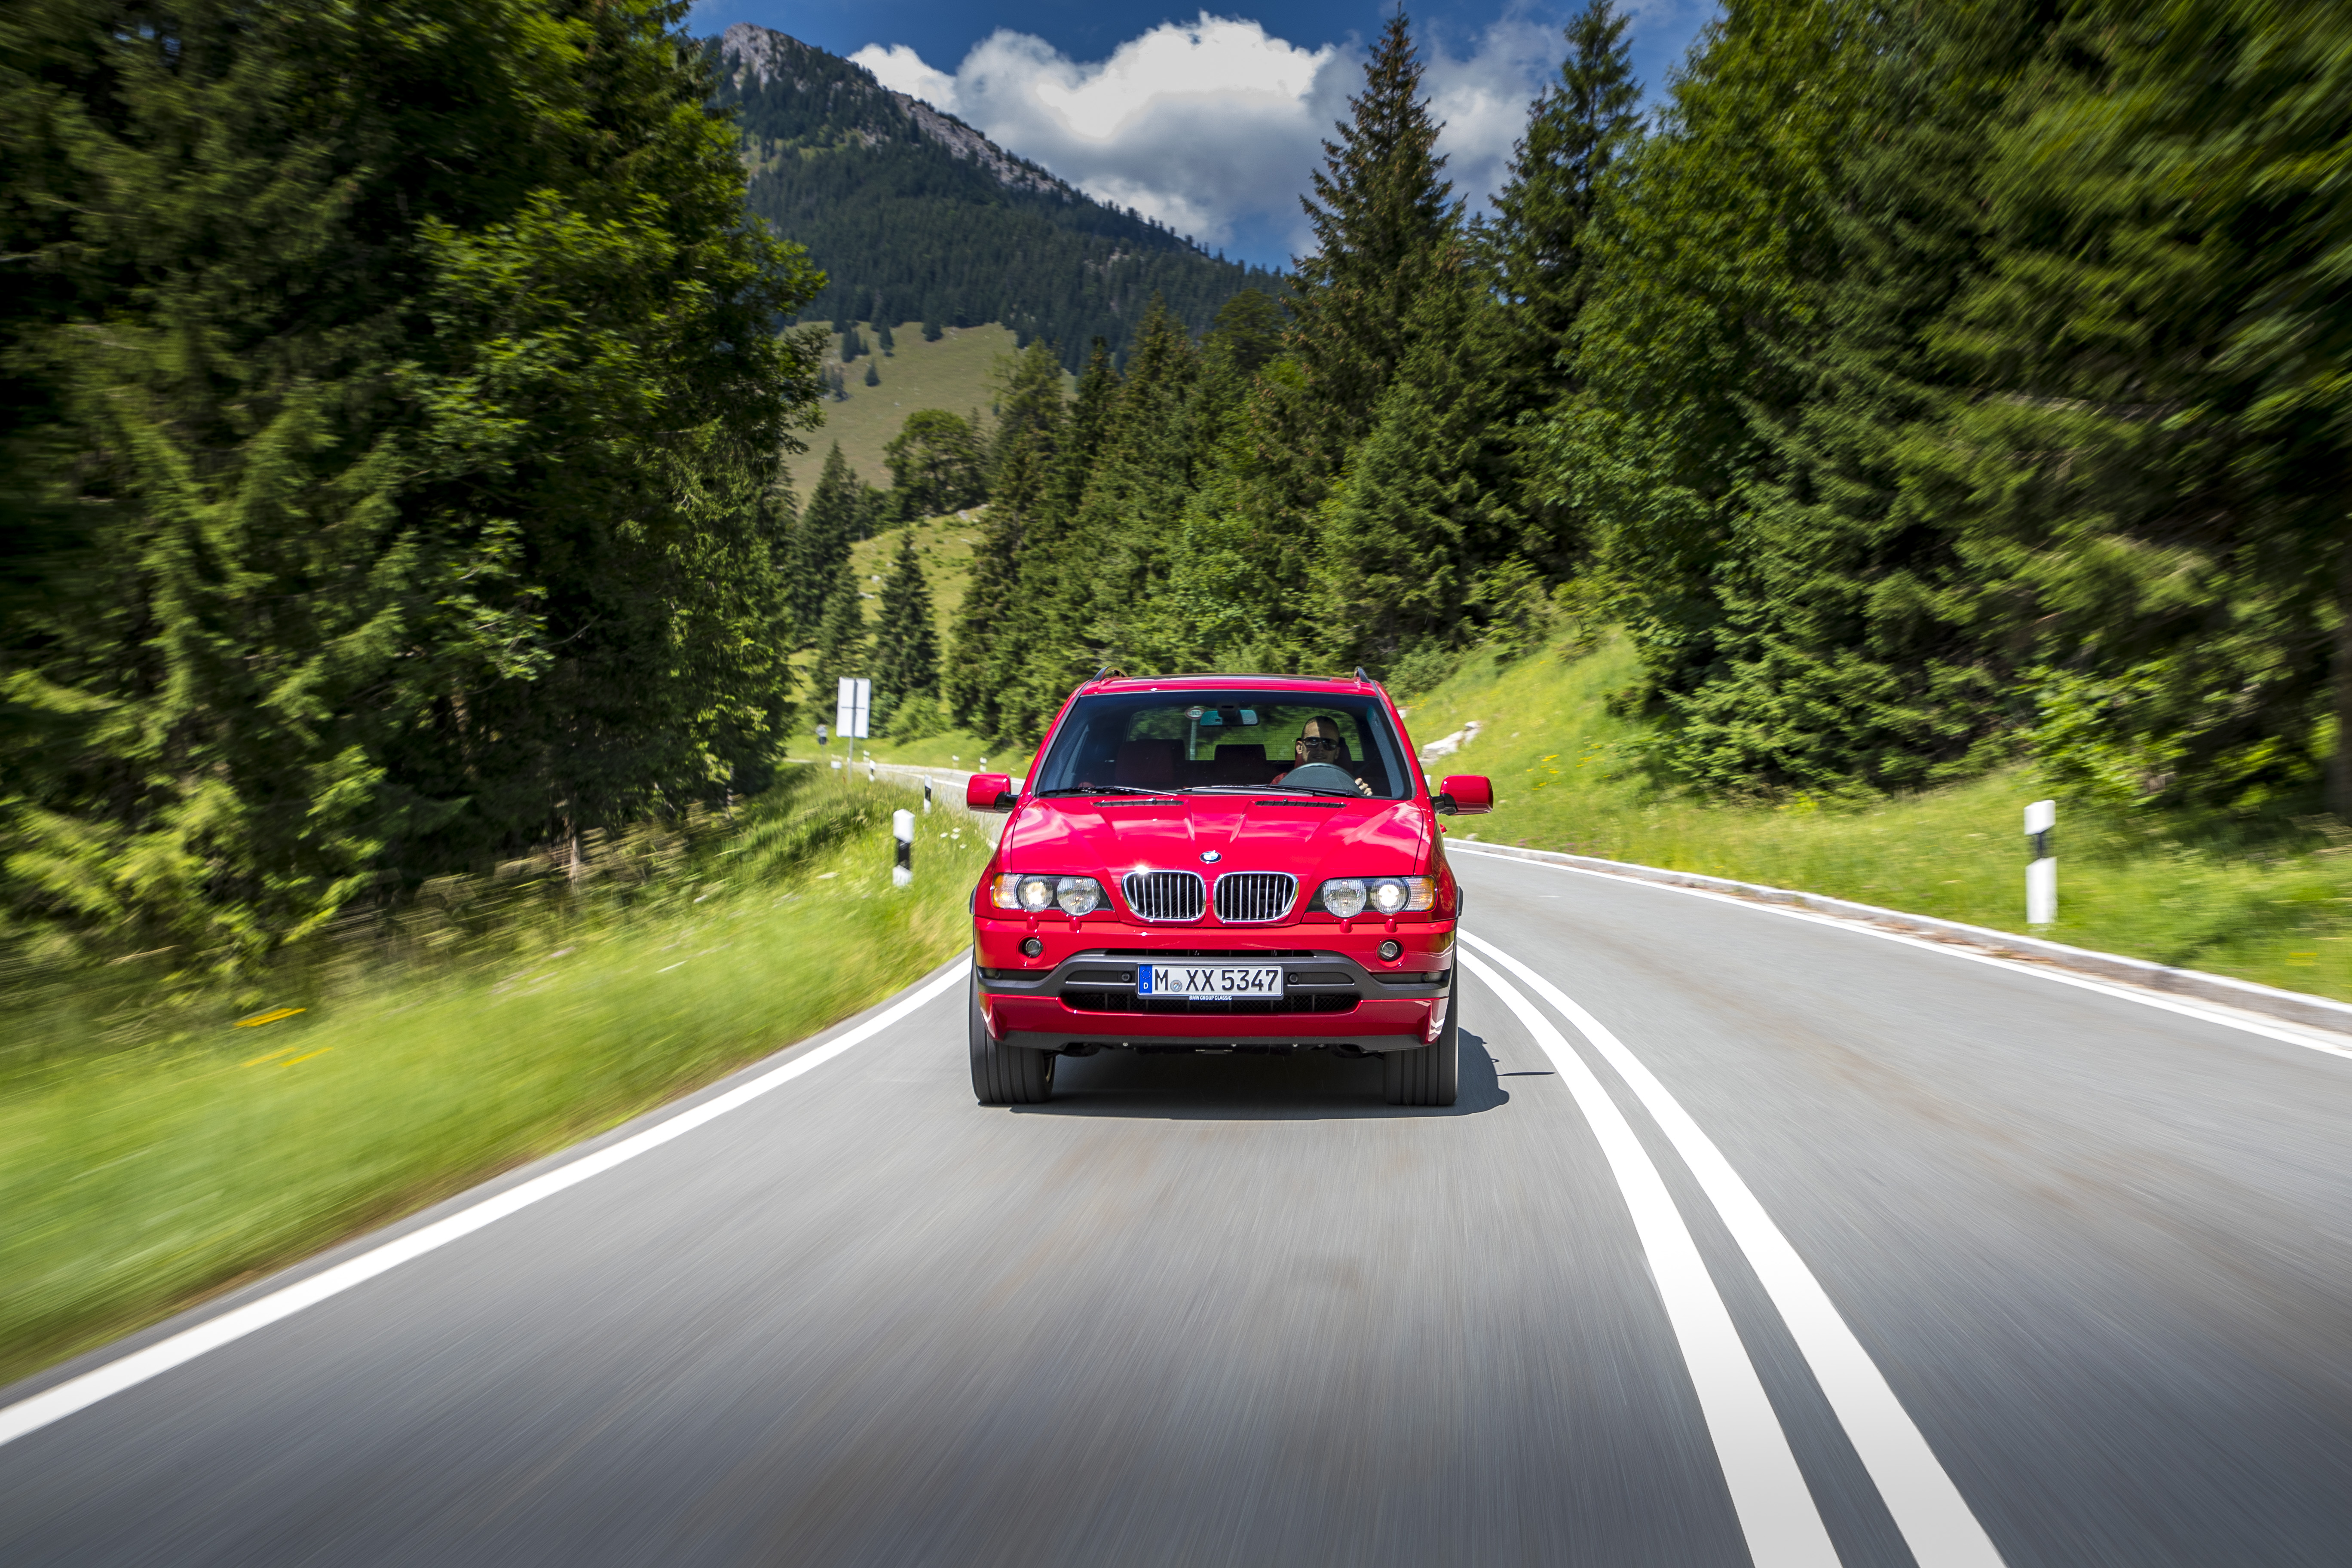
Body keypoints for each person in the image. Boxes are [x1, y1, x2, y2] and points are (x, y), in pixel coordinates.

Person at [1272, 716, 1373, 795]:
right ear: (1300, 748)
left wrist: (1365, 797)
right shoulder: (1282, 781)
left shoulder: (1353, 783)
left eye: (1328, 744)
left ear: (1337, 752)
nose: (1320, 748)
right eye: (1313, 741)